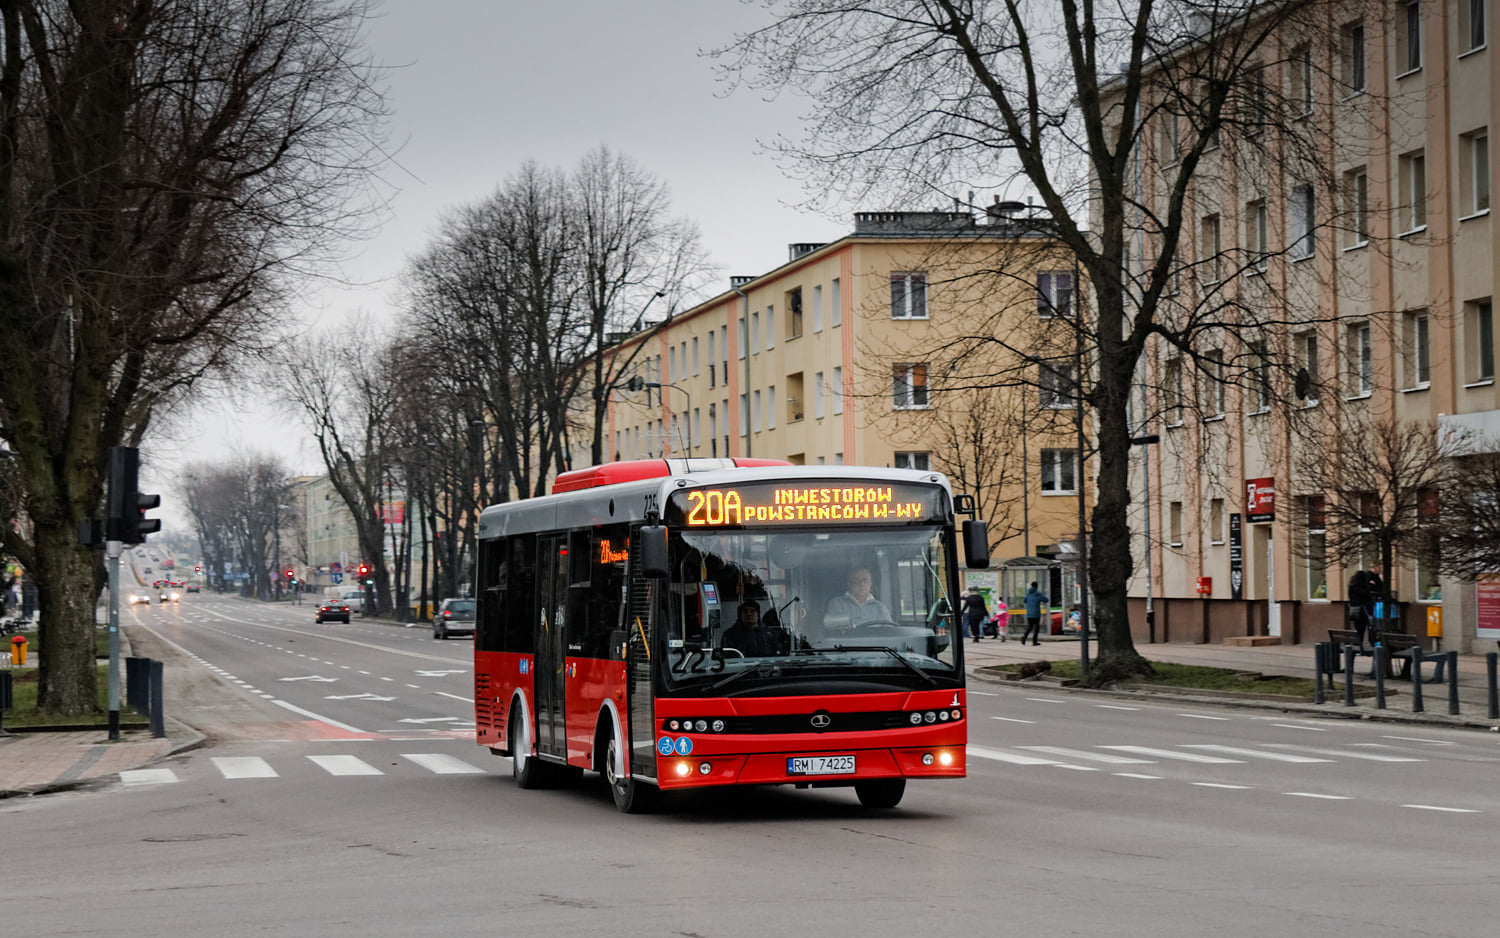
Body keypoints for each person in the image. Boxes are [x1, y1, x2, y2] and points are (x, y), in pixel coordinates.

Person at [825, 567, 893, 627]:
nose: (861, 584)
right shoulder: (837, 604)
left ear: (870, 583)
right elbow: (835, 632)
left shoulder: (880, 607)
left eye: (865, 580)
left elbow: (890, 633)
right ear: (849, 584)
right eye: (856, 580)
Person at [1348, 567, 1376, 645]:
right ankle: (1367, 645)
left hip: (1354, 611)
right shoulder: (1359, 588)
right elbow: (1366, 594)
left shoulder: (1352, 587)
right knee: (1367, 628)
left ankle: (1358, 646)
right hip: (1363, 612)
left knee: (1358, 630)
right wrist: (1371, 585)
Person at [1022, 581, 1048, 646]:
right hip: (1036, 614)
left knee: (1030, 627)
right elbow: (1046, 600)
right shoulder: (1038, 594)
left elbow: (1025, 601)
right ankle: (1034, 641)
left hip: (1029, 614)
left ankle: (1024, 637)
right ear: (1037, 586)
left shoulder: (1027, 593)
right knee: (1036, 627)